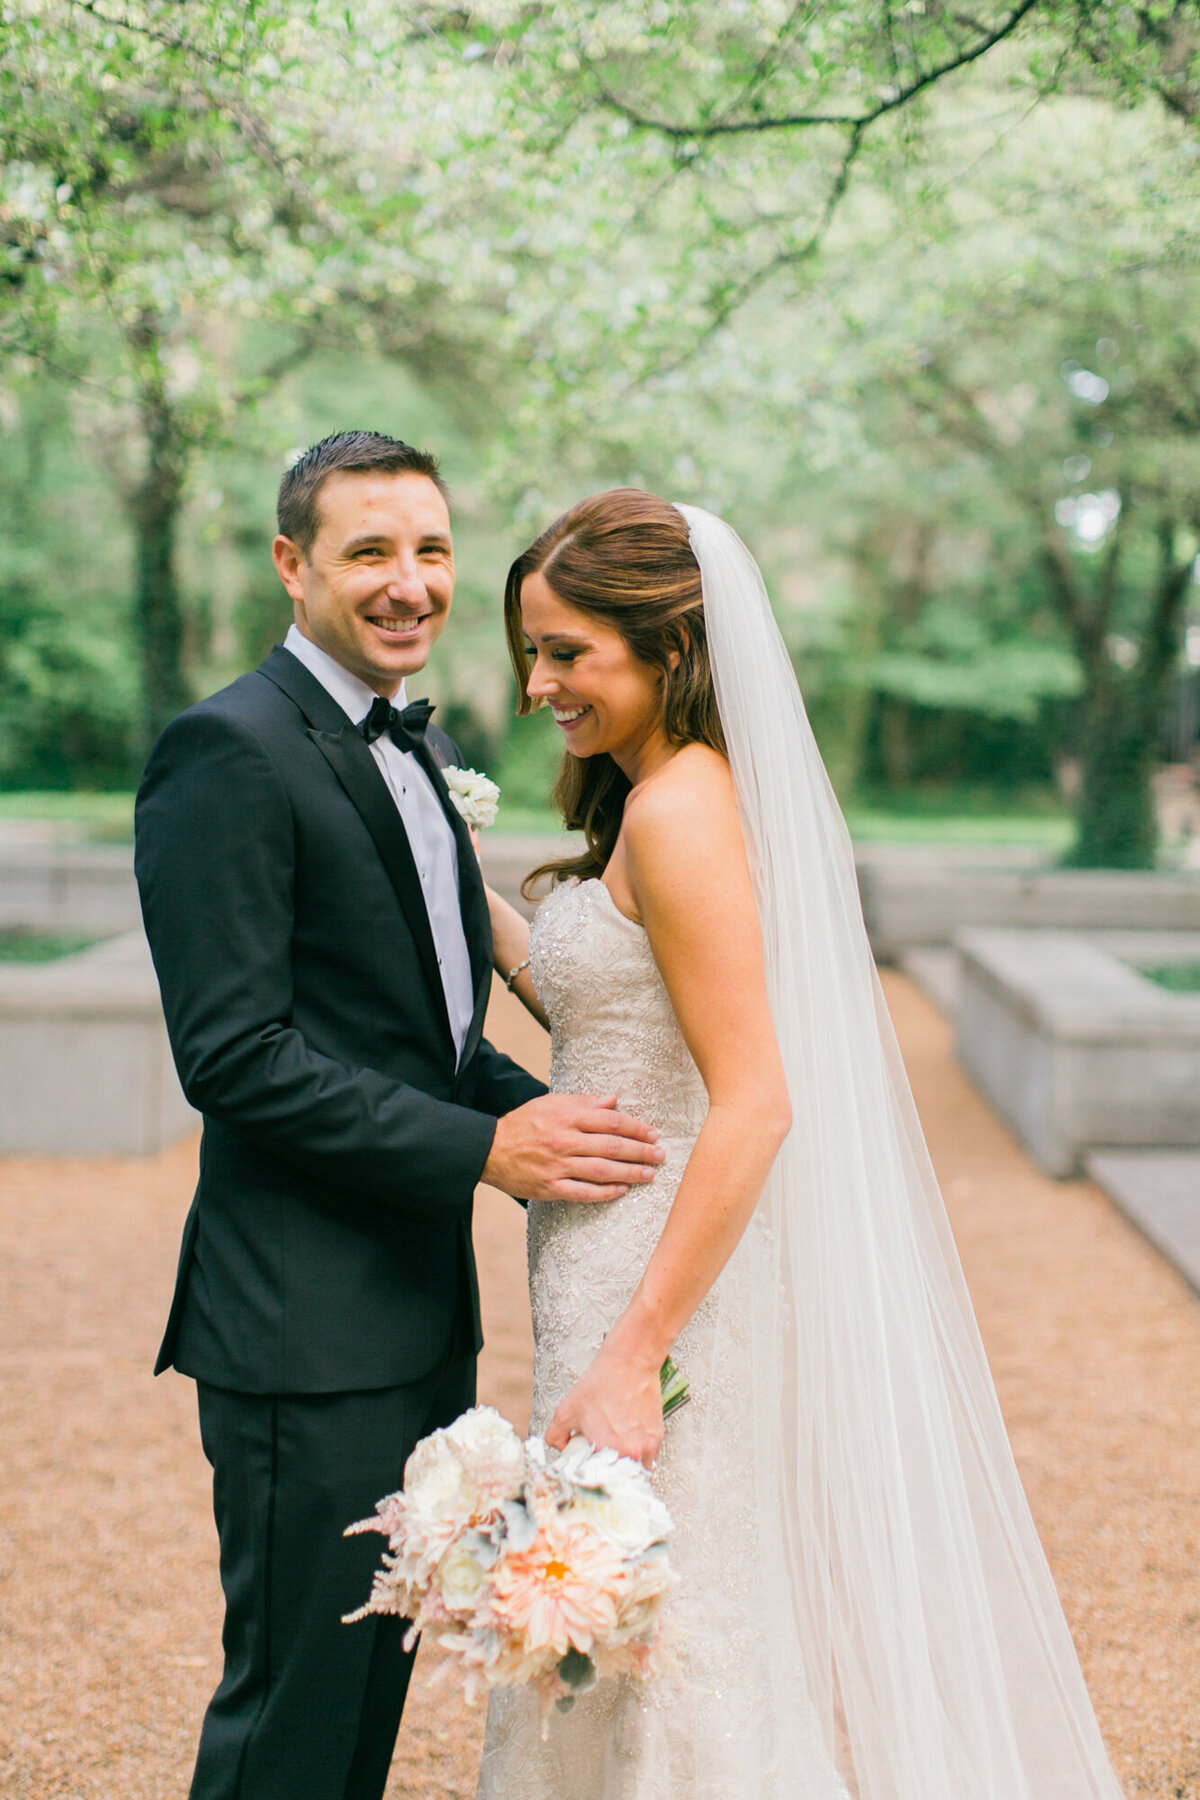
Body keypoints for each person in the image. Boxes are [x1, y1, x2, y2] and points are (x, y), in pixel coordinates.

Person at [477, 489, 1126, 1800]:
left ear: (669, 650)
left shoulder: (677, 811)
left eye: (567, 652)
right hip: (609, 1258)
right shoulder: (660, 795)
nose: (538, 682)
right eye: (531, 652)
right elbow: (624, 1017)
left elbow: (755, 1098)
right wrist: (459, 892)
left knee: (665, 1639)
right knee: (618, 1626)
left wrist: (632, 1352)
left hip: (658, 1292)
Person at [134, 433, 666, 1800]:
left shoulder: (413, 744)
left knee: (366, 1697)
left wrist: (553, 1121)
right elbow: (237, 1055)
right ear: (291, 563)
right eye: (370, 551)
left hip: (415, 1310)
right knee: (293, 1714)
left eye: (430, 550)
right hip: (297, 1328)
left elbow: (423, 1030)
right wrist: (487, 1149)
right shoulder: (227, 751)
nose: (409, 584)